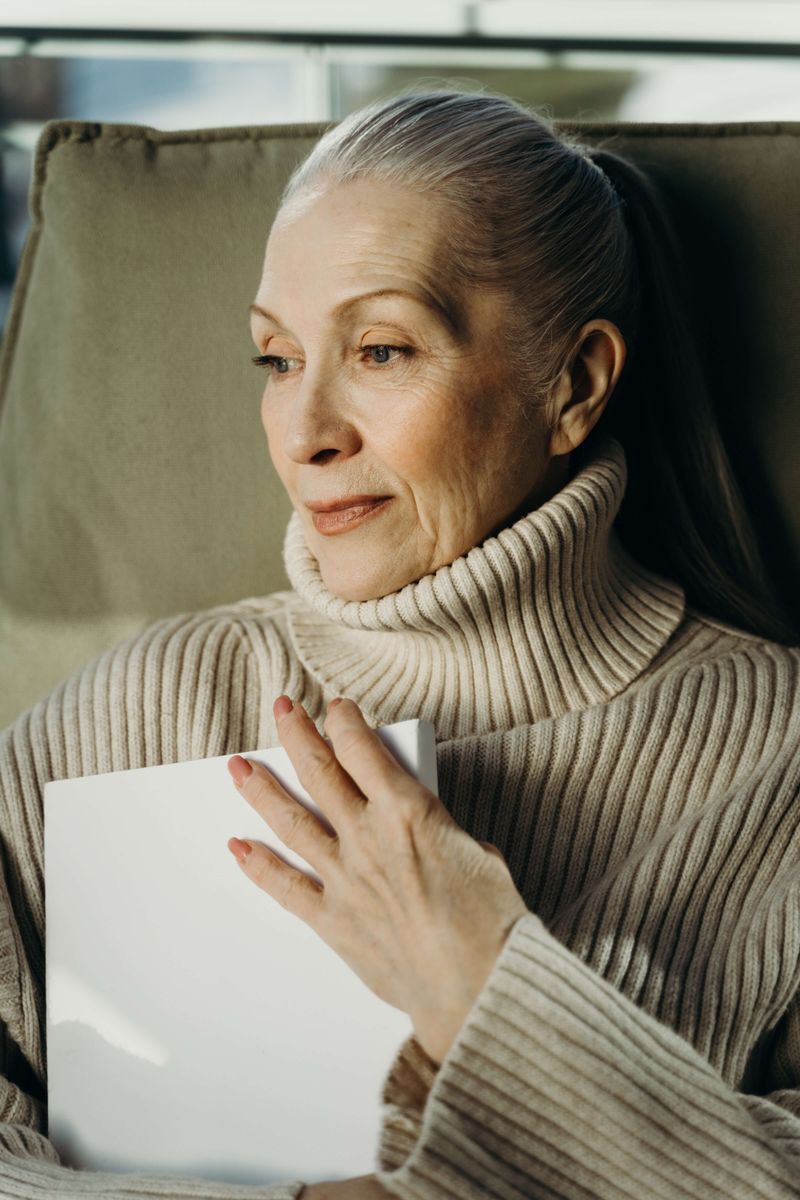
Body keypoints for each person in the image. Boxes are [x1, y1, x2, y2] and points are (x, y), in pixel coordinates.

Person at [0, 86, 798, 1200]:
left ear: (571, 385)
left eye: (379, 350)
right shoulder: (135, 708)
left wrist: (481, 978)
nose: (305, 431)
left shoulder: (780, 762)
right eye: (276, 360)